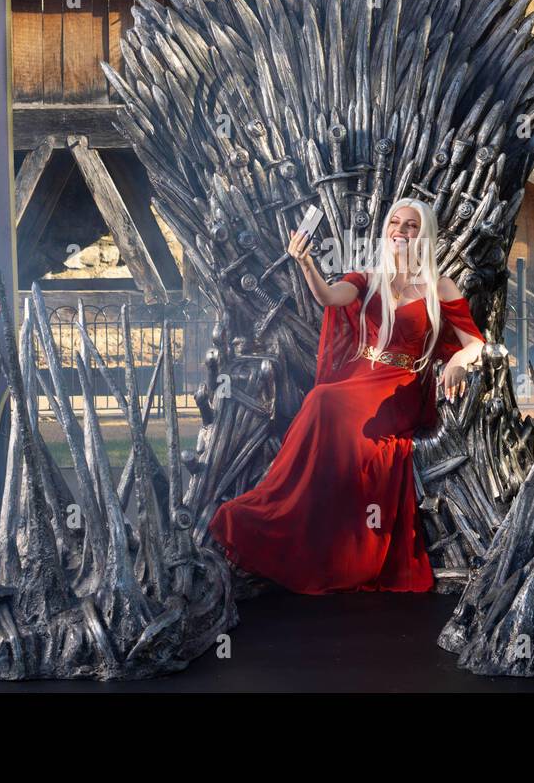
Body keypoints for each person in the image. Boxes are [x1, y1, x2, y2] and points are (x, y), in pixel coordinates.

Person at [208, 198, 487, 594]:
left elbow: (474, 342)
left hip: (398, 389)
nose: (401, 231)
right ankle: (280, 513)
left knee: (329, 404)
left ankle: (337, 544)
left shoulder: (439, 287)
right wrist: (306, 263)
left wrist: (459, 361)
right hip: (357, 377)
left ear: (423, 235)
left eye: (410, 226)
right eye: (395, 223)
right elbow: (327, 297)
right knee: (323, 400)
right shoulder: (365, 279)